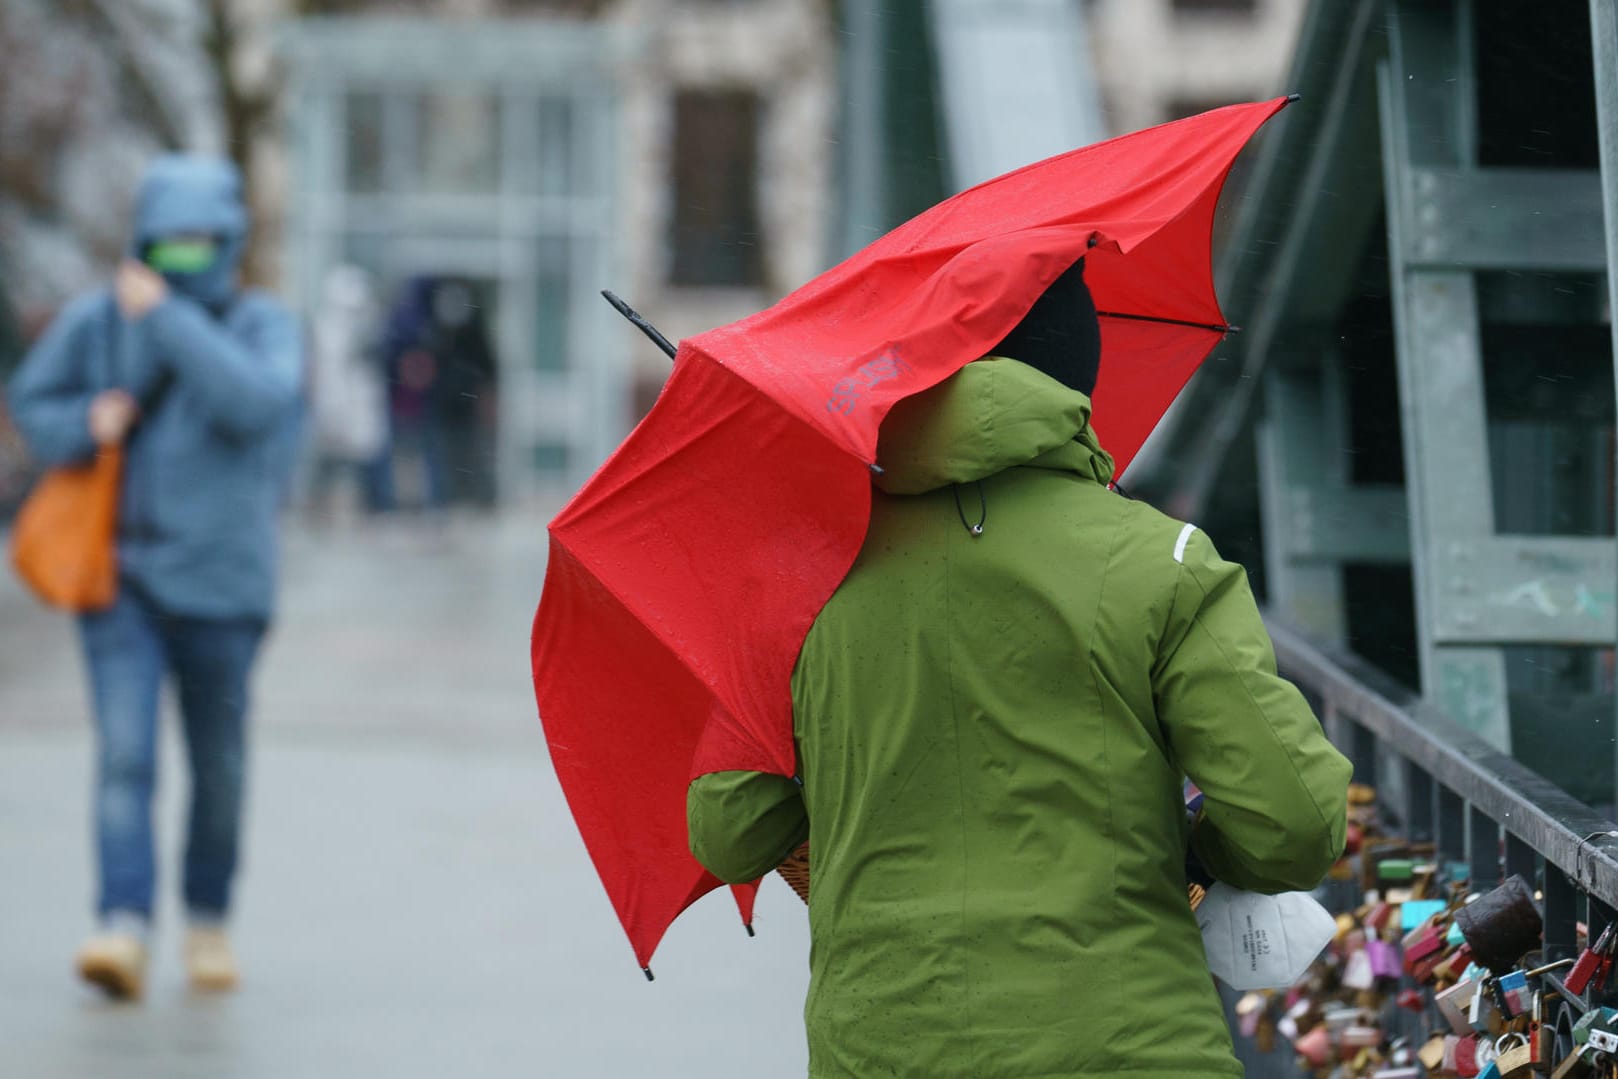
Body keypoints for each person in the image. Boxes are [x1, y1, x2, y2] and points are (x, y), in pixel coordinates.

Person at [686, 259, 1352, 1077]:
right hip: (1127, 1047)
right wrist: (1198, 854)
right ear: (1080, 375)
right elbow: (1295, 826)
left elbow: (726, 832)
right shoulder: (1165, 563)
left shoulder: (801, 580)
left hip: (883, 1047)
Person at [7, 154, 304, 1000]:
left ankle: (207, 919)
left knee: (219, 767)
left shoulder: (265, 324)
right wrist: (82, 421)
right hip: (122, 576)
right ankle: (122, 924)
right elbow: (33, 403)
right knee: (125, 757)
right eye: (167, 246)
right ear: (143, 241)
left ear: (231, 242)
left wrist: (168, 318)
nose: (185, 258)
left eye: (201, 244)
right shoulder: (96, 321)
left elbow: (256, 405)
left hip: (227, 587)